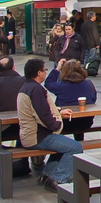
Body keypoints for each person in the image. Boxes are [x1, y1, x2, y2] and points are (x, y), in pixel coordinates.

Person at [17, 58, 83, 191]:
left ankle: (47, 175)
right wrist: (57, 124)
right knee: (75, 147)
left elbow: (43, 108)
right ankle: (58, 178)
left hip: (31, 134)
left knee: (63, 146)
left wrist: (59, 111)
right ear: (39, 73)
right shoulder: (35, 89)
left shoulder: (27, 87)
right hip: (37, 136)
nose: (45, 73)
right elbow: (43, 115)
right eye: (44, 70)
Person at [45, 58, 97, 139]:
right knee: (80, 121)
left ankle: (60, 148)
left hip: (66, 123)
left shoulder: (62, 86)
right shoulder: (88, 83)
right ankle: (79, 142)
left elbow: (48, 83)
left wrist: (57, 69)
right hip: (86, 122)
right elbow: (94, 98)